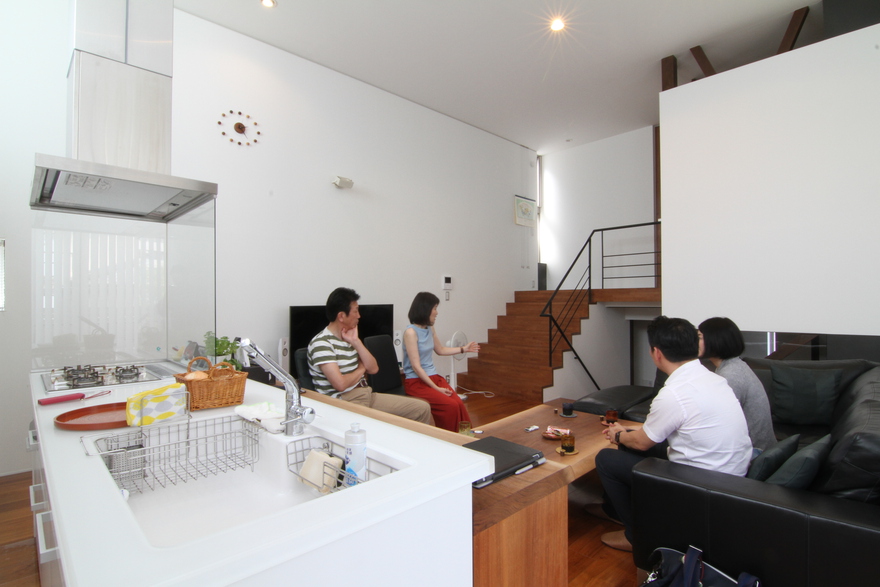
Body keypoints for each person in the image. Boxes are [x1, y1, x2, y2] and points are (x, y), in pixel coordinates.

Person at [593, 316, 752, 552]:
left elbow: (642, 443)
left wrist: (617, 435)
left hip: (702, 483)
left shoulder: (674, 393)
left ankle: (638, 537)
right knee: (630, 440)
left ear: (656, 353)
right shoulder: (714, 379)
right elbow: (651, 435)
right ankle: (618, 512)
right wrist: (627, 435)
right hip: (730, 474)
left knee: (606, 459)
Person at [307, 287, 432, 424]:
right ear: (341, 316)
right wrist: (361, 368)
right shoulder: (321, 343)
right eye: (356, 311)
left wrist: (356, 342)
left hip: (366, 394)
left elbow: (373, 368)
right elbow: (340, 384)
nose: (359, 316)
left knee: (422, 408)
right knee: (385, 426)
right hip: (344, 402)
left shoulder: (349, 338)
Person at [402, 292, 479, 432]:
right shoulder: (411, 333)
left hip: (433, 378)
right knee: (450, 406)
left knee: (458, 403)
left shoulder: (429, 328)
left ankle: (465, 437)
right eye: (435, 308)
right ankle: (448, 439)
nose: (437, 313)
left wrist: (464, 349)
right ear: (425, 309)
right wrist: (436, 389)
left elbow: (441, 350)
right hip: (417, 382)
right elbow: (416, 367)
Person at [699, 317, 777, 452]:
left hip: (754, 452)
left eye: (699, 337)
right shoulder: (734, 366)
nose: (695, 342)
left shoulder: (731, 375)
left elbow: (718, 423)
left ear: (715, 340)